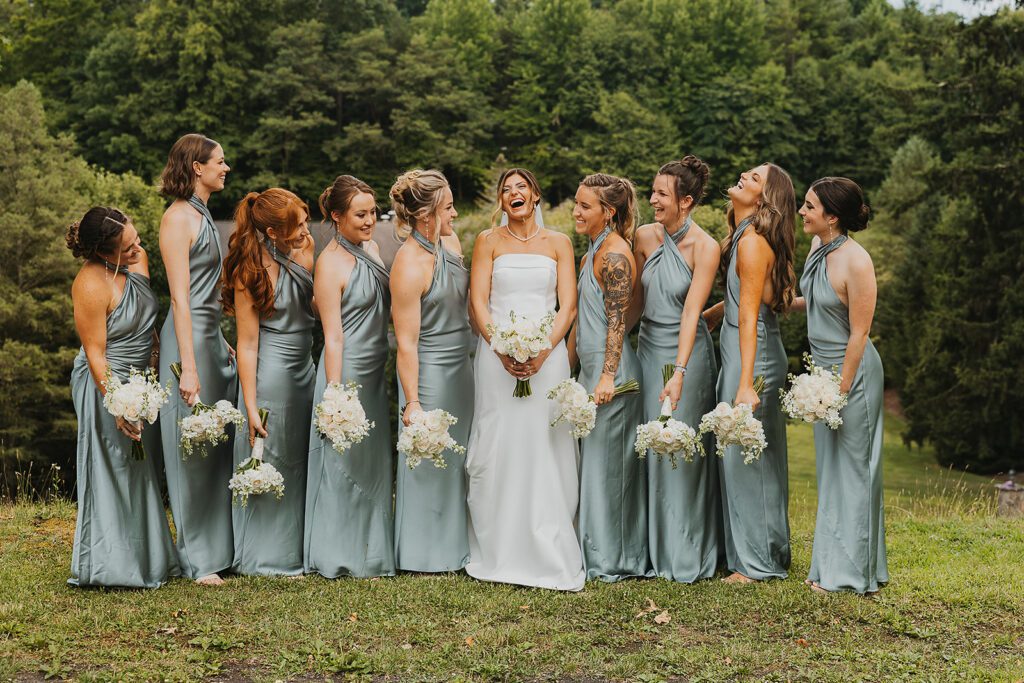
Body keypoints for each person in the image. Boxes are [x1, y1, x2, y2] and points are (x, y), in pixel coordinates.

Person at [465, 168, 585, 591]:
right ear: (502, 202)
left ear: (535, 195)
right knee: (500, 442)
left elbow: (567, 306)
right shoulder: (487, 242)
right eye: (505, 189)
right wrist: (500, 346)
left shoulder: (559, 243)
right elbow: (478, 301)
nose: (513, 193)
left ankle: (547, 542)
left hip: (547, 356)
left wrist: (544, 351)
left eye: (521, 187)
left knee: (544, 443)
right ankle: (499, 543)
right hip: (496, 358)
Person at [66, 207, 178, 588]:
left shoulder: (138, 259)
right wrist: (116, 403)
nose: (138, 249)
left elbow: (146, 322)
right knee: (112, 466)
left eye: (137, 240)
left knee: (140, 465)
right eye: (127, 247)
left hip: (141, 380)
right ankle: (112, 564)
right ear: (103, 252)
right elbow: (96, 355)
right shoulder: (89, 285)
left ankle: (150, 557)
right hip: (106, 381)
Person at [795, 177, 887, 595]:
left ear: (832, 217)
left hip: (853, 377)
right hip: (821, 376)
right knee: (831, 471)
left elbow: (859, 332)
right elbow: (813, 301)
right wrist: (778, 301)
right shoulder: (817, 249)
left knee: (854, 471)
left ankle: (852, 574)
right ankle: (826, 566)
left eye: (810, 206)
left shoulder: (857, 261)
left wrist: (840, 389)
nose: (802, 212)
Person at [632, 156, 722, 582]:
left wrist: (681, 371)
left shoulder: (706, 247)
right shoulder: (644, 236)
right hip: (648, 349)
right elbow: (632, 300)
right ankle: (652, 550)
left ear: (686, 201)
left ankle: (687, 553)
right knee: (651, 446)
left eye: (662, 195)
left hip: (689, 354)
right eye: (652, 191)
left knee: (683, 451)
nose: (653, 200)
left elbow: (693, 313)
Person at [708, 163, 796, 584]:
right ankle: (755, 551)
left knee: (749, 457)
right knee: (745, 455)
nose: (746, 174)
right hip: (747, 350)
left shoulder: (752, 243)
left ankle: (757, 564)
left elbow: (749, 315)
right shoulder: (745, 237)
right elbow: (749, 296)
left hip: (753, 359)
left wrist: (744, 382)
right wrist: (712, 313)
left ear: (764, 199)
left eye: (756, 178)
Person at [304, 175, 395, 578]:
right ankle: (337, 553)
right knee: (343, 462)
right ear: (337, 216)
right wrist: (336, 394)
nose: (370, 220)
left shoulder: (373, 248)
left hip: (377, 369)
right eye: (360, 214)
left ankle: (374, 553)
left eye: (373, 212)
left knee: (372, 462)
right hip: (346, 371)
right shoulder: (329, 263)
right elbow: (333, 336)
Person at [222, 188, 316, 576]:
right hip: (272, 375)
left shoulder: (305, 253)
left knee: (300, 459)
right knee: (270, 457)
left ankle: (299, 548)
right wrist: (249, 404)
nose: (307, 230)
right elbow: (246, 345)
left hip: (306, 370)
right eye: (299, 224)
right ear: (274, 232)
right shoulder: (250, 272)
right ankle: (263, 555)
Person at [157, 133, 236, 586]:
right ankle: (197, 557)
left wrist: (220, 338)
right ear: (196, 167)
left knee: (216, 442)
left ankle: (221, 547)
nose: (225, 168)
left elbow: (209, 296)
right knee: (190, 445)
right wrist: (187, 365)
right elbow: (182, 299)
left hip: (210, 338)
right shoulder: (177, 219)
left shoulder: (204, 215)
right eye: (219, 162)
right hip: (186, 342)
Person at [390, 170, 474, 572]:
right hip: (433, 372)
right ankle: (425, 553)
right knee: (432, 459)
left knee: (463, 459)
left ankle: (460, 544)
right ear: (427, 215)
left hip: (465, 366)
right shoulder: (407, 265)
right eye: (448, 207)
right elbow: (406, 343)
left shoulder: (451, 242)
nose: (455, 214)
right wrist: (414, 402)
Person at [570, 173, 649, 582]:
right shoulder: (591, 253)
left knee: (610, 472)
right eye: (577, 203)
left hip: (613, 379)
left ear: (608, 212)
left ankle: (613, 559)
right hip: (589, 372)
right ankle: (593, 552)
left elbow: (618, 324)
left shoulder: (615, 256)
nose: (576, 212)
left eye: (585, 206)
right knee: (592, 469)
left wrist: (607, 377)